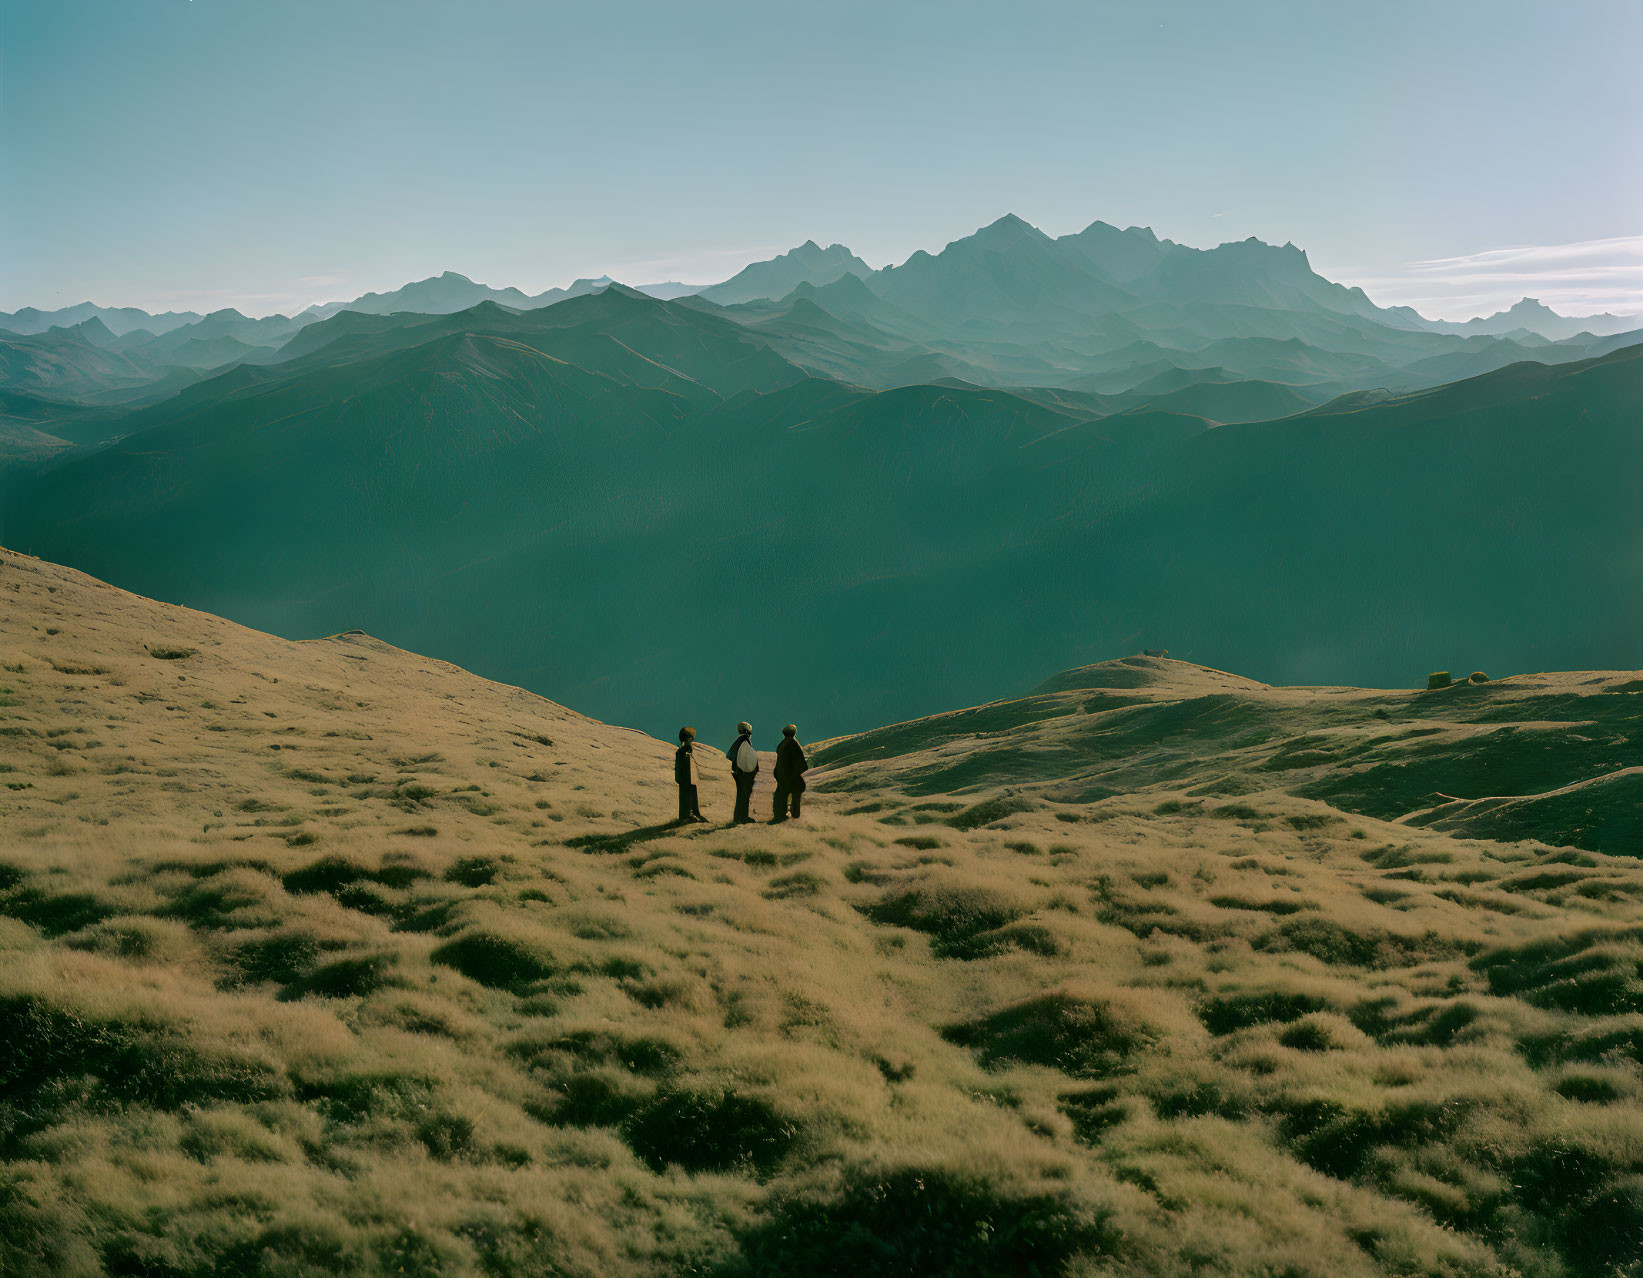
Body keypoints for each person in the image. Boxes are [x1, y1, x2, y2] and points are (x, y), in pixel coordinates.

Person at [772, 723, 808, 823]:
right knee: (796, 793)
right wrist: (795, 774)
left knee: (781, 795)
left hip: (782, 776)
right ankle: (794, 817)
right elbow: (802, 764)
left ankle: (780, 815)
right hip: (791, 776)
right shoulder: (793, 743)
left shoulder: (781, 744)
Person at [727, 721, 758, 824]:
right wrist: (752, 771)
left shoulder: (737, 742)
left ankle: (738, 817)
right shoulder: (745, 741)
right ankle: (743, 817)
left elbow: (730, 757)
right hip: (744, 775)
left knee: (740, 795)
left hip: (738, 773)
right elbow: (748, 759)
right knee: (744, 796)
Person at [675, 727, 706, 823]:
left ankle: (692, 814)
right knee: (687, 797)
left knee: (691, 794)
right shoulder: (684, 750)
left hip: (686, 779)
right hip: (686, 779)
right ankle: (689, 815)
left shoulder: (681, 750)